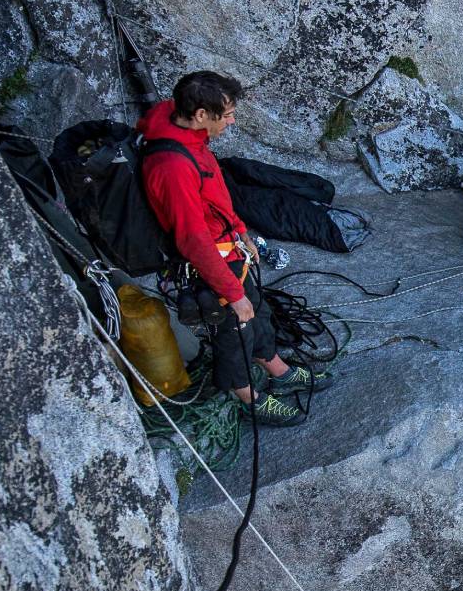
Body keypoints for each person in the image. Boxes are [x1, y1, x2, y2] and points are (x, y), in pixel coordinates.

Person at [139, 71, 330, 426]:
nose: (232, 121)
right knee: (232, 330)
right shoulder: (172, 167)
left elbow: (214, 196)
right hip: (208, 263)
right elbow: (193, 239)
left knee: (257, 311)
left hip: (228, 249)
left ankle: (276, 368)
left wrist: (241, 233)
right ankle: (248, 398)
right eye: (226, 114)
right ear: (200, 114)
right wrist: (231, 292)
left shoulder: (188, 134)